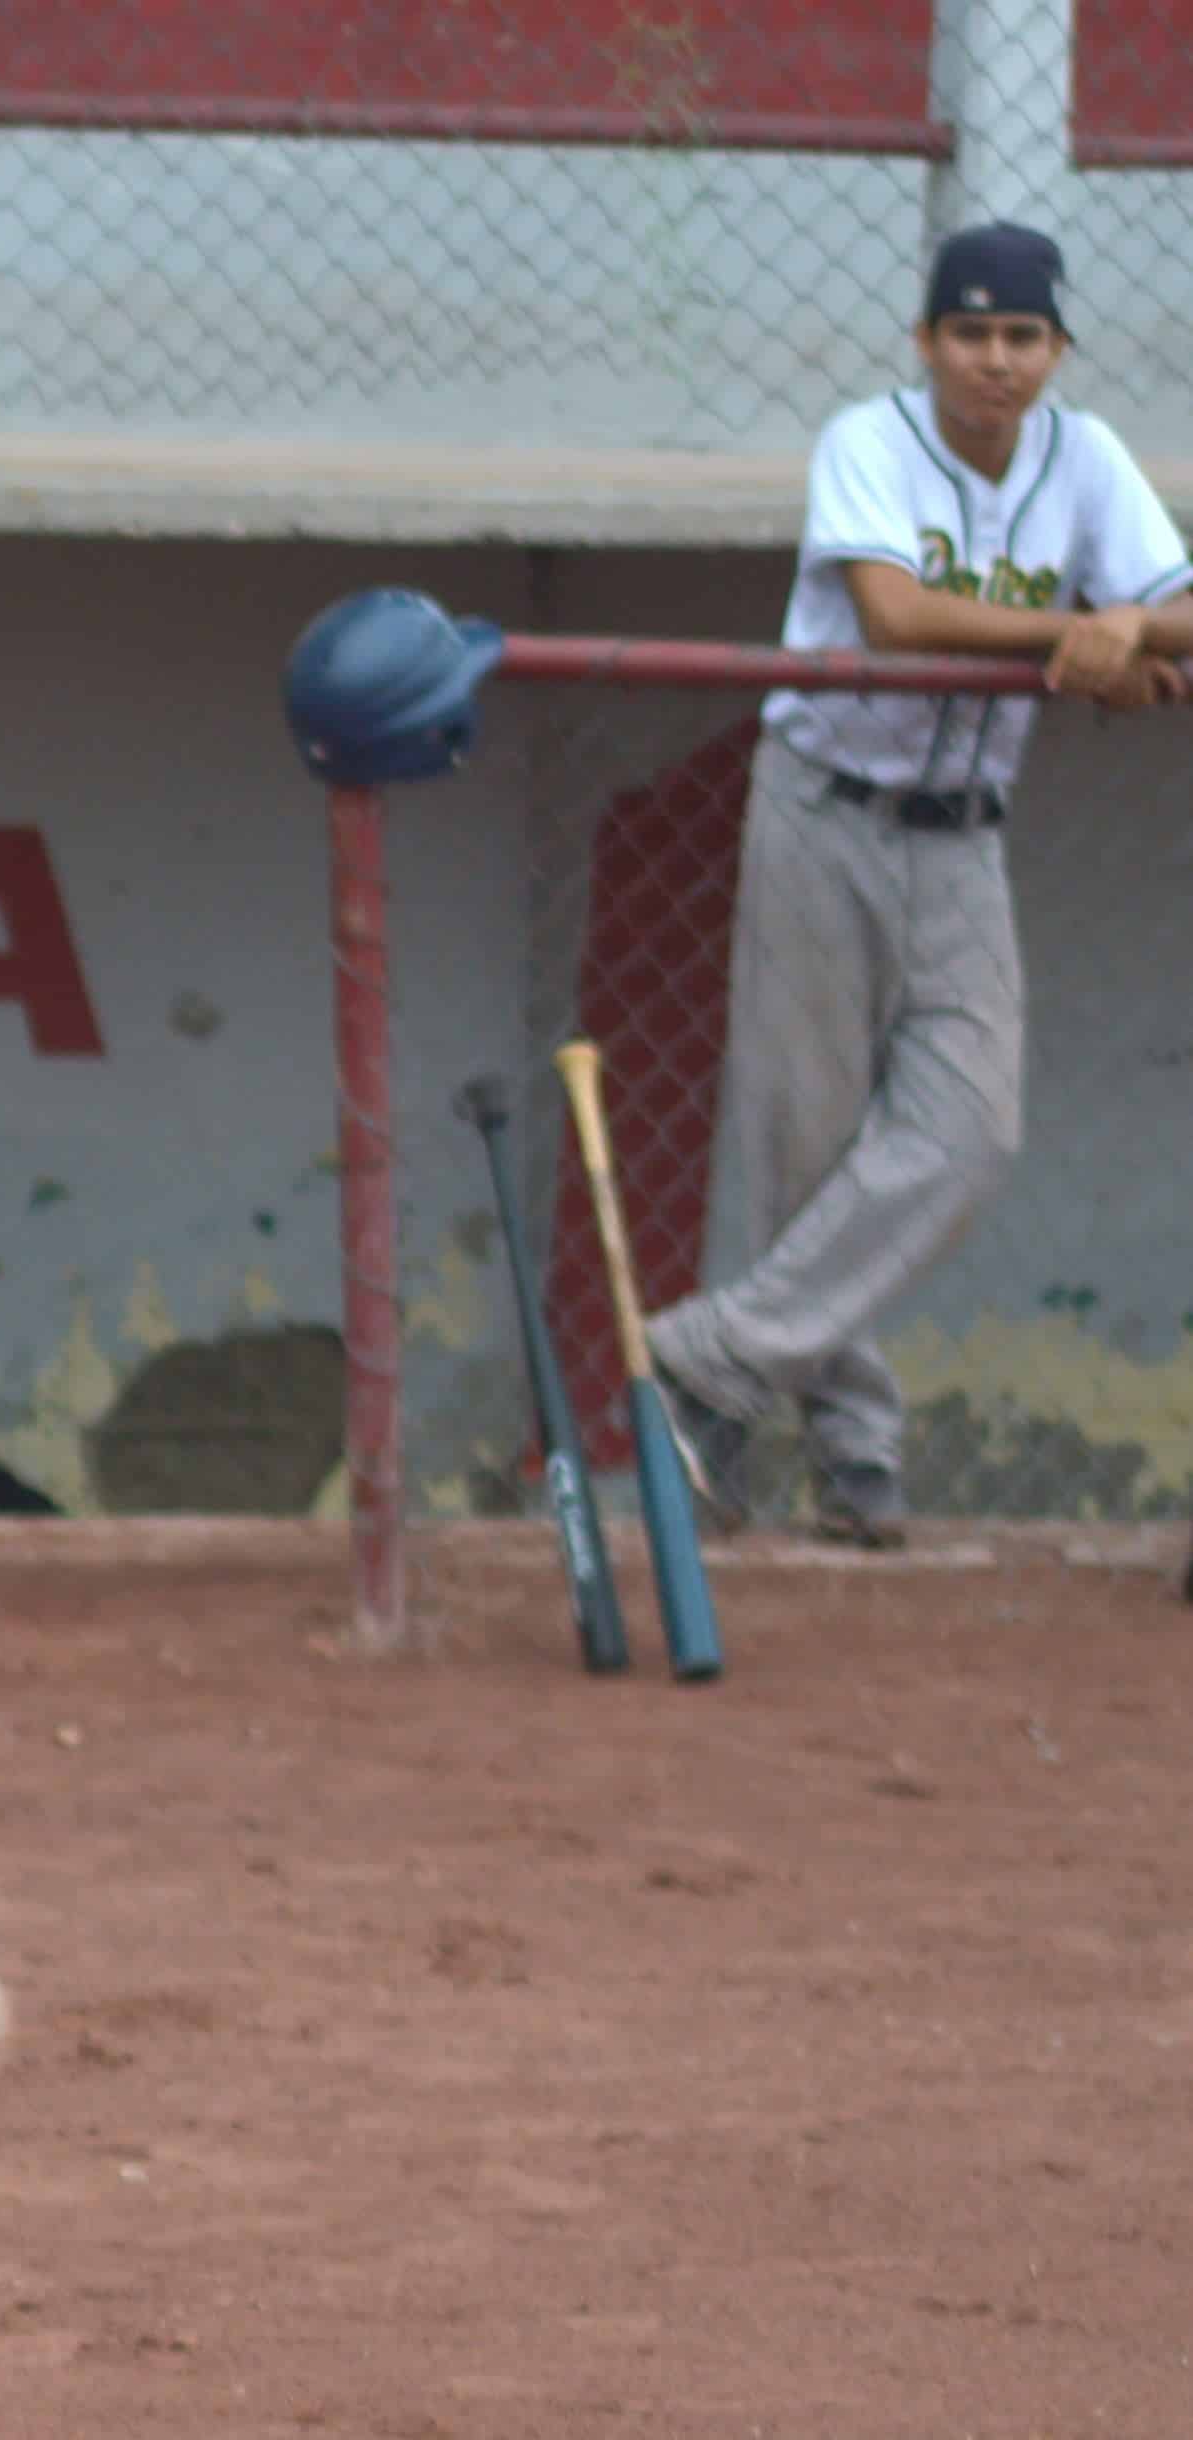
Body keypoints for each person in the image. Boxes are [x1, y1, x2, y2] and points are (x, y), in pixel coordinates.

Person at [643, 220, 1193, 1549]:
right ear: (926, 341)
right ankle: (855, 1454)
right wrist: (1087, 634)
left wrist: (1134, 630)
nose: (995, 361)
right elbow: (896, 612)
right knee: (807, 1147)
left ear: (1057, 348)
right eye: (970, 333)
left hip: (963, 840)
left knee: (968, 1129)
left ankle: (707, 1354)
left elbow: (1179, 612)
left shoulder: (1089, 458)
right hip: (825, 810)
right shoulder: (870, 439)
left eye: (1021, 337)